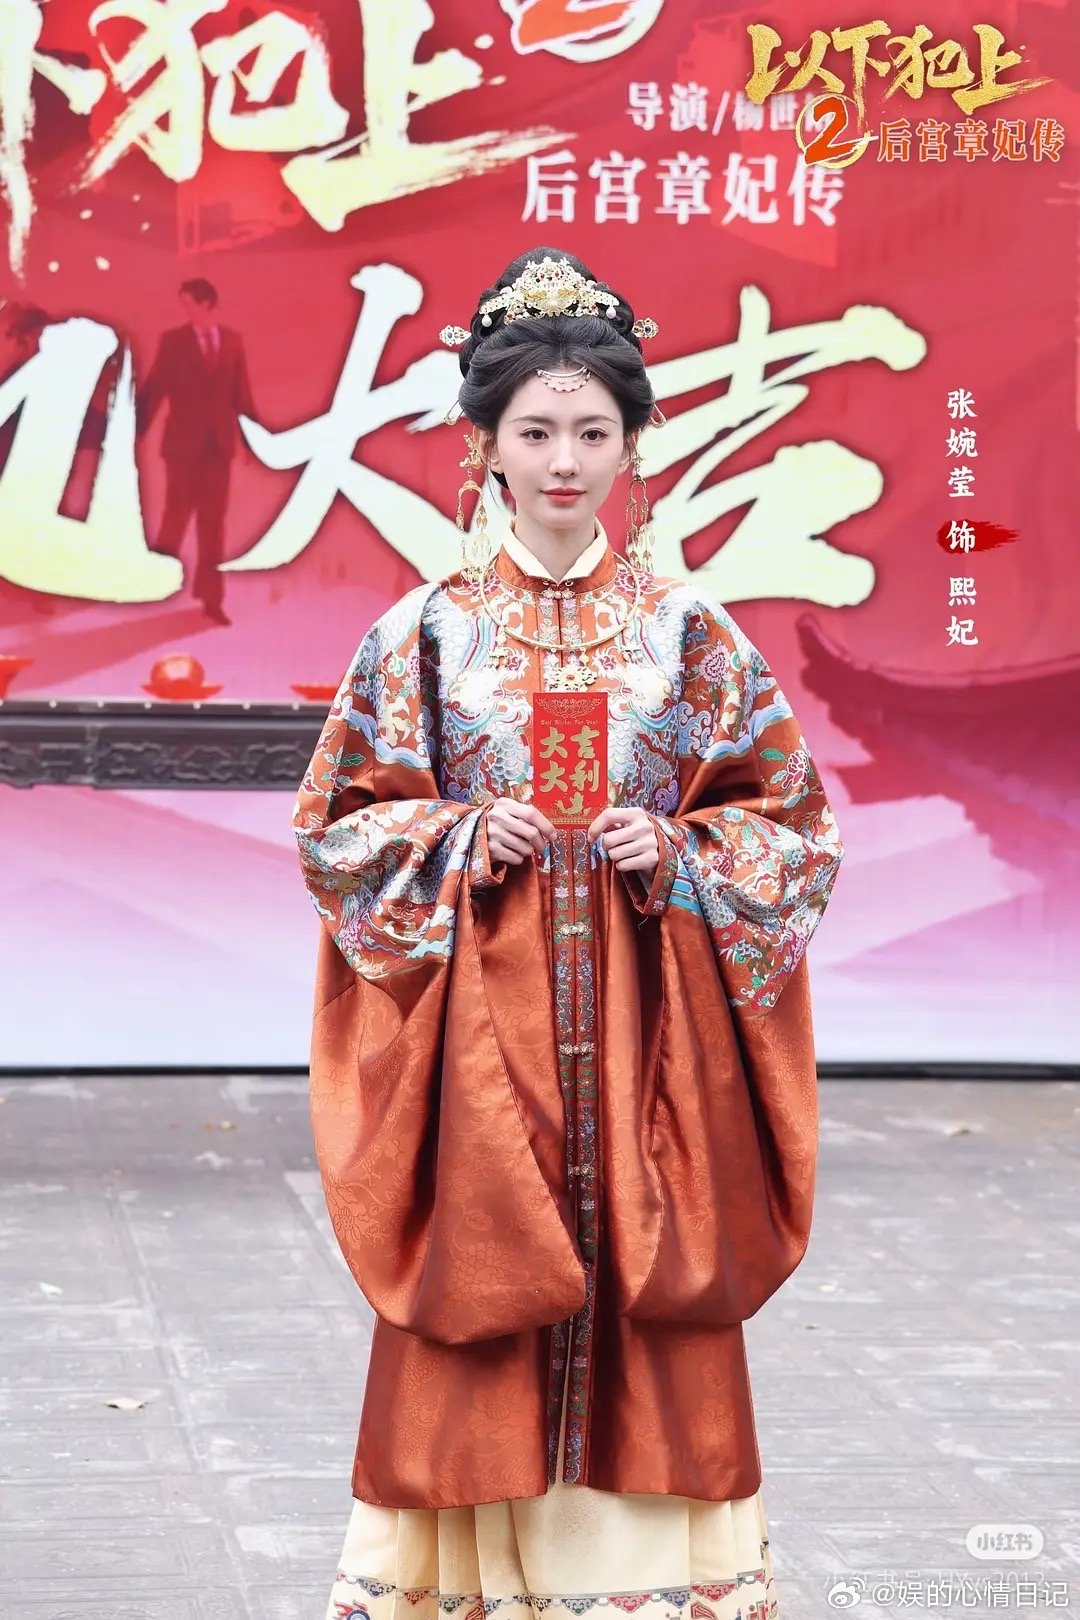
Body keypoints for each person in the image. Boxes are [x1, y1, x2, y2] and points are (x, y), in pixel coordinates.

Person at [292, 248, 845, 1618]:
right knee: (489, 1267)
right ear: (483, 442)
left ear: (632, 446)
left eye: (593, 433)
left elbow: (794, 827)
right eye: (535, 432)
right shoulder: (423, 636)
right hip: (487, 1040)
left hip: (651, 1037)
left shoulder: (690, 634)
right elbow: (337, 831)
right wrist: (457, 840)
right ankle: (466, 1580)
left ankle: (653, 1585)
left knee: (650, 1282)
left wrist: (687, 854)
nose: (563, 462)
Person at [137, 277, 255, 625]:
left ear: (206, 304)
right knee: (175, 516)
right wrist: (135, 431)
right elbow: (155, 388)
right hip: (182, 446)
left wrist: (251, 441)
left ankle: (211, 598)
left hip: (218, 447)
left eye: (189, 303)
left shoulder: (232, 342)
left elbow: (241, 394)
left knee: (212, 523)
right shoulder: (173, 342)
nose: (185, 310)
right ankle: (153, 583)